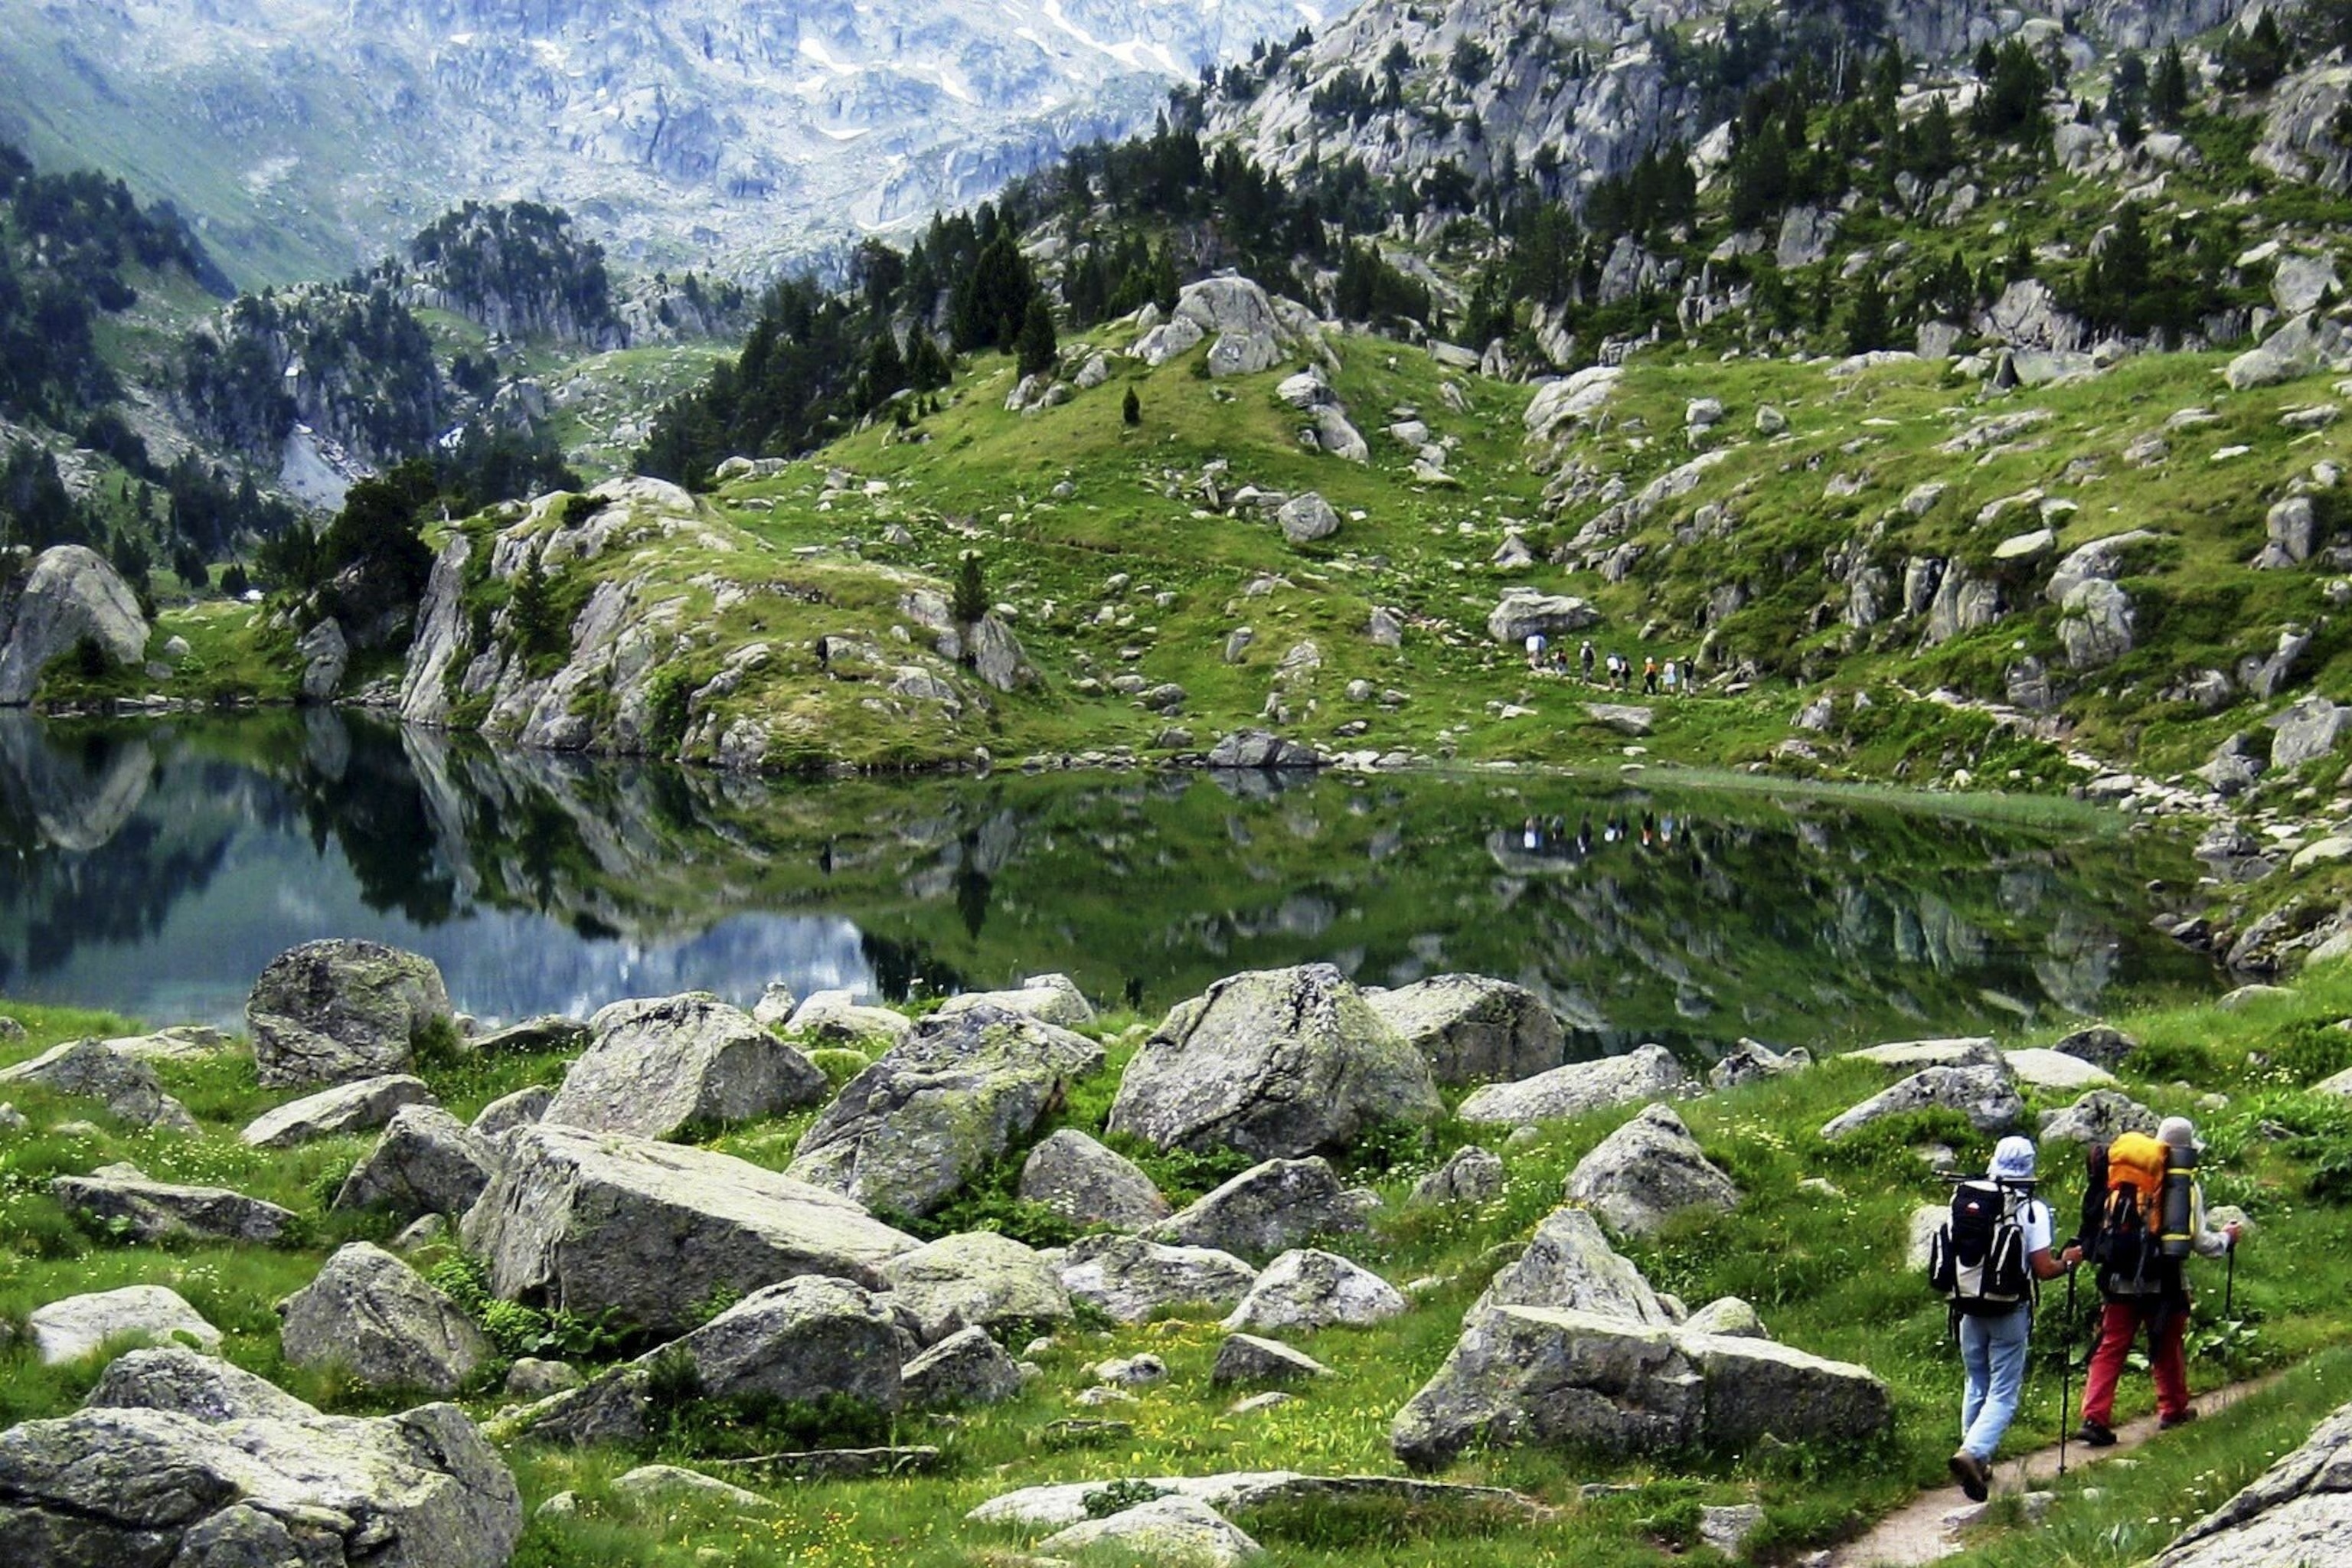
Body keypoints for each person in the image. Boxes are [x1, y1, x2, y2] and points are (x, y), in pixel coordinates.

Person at [2074, 1116, 2241, 1446]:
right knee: (2167, 1343)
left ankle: (2094, 1417)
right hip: (2164, 1280)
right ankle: (2174, 1409)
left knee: (2110, 1347)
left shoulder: (2124, 1176)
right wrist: (2226, 1239)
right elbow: (2198, 1240)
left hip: (2119, 1276)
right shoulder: (2183, 1185)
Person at [1946, 1137, 2073, 1501]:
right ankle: (1973, 1453)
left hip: (1967, 1304)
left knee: (1976, 1380)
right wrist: (2070, 1262)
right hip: (2009, 1308)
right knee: (2004, 1391)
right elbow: (2044, 1268)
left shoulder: (1964, 1197)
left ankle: (1977, 1460)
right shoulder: (2031, 1208)